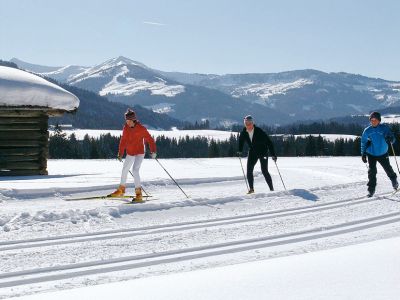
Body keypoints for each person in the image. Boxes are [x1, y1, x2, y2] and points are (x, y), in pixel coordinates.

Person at [109, 108, 157, 202]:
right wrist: (120, 153)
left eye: (128, 121)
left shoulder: (141, 128)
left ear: (133, 120)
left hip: (139, 152)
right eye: (126, 120)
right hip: (130, 152)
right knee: (124, 169)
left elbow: (150, 140)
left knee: (135, 170)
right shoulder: (126, 128)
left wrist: (153, 151)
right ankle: (121, 190)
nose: (127, 122)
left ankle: (139, 194)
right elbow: (123, 141)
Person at [361, 111, 398, 197]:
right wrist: (363, 154)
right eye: (371, 120)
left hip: (383, 153)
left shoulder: (384, 128)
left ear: (379, 121)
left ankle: (394, 180)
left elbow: (393, 138)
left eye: (375, 120)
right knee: (372, 172)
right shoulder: (367, 131)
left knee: (388, 169)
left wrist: (390, 139)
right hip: (371, 154)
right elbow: (363, 143)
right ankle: (371, 190)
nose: (373, 121)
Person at [238, 115, 277, 194]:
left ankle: (271, 189)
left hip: (263, 152)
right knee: (249, 171)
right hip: (253, 152)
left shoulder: (259, 131)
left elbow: (269, 142)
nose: (248, 125)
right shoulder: (244, 132)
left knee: (264, 171)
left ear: (252, 123)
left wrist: (273, 154)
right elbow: (241, 141)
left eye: (249, 123)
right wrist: (239, 150)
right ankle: (251, 189)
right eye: (246, 123)